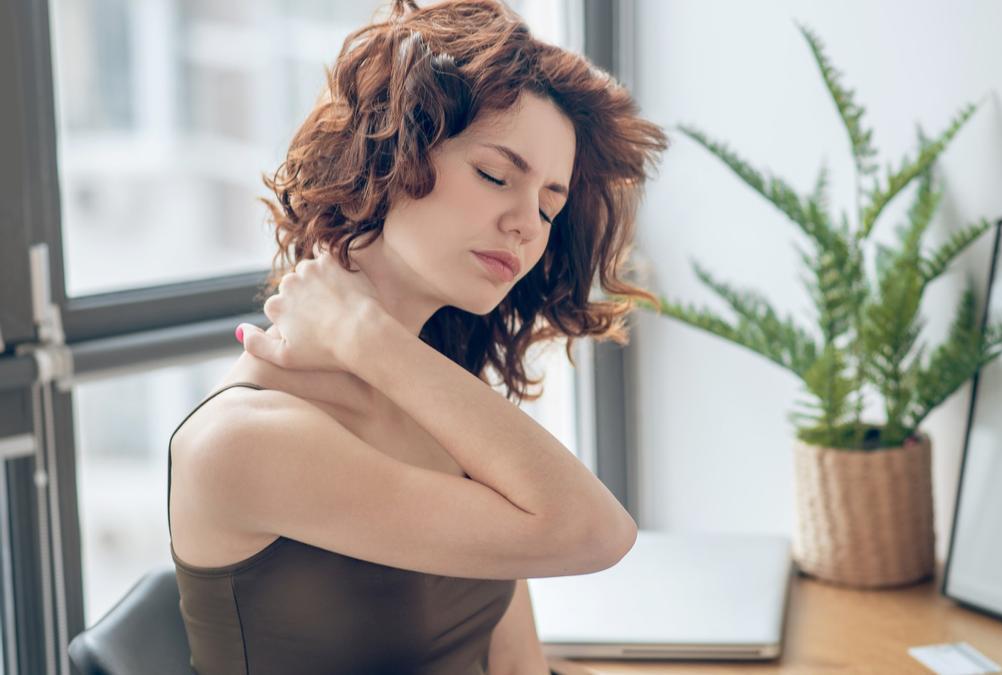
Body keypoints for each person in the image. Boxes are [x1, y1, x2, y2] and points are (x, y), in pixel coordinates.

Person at [164, 0, 669, 672]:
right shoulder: (243, 441)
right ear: (391, 154)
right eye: (495, 176)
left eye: (549, 205)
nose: (528, 224)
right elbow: (597, 533)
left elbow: (516, 662)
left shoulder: (433, 383)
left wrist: (371, 341)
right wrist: (365, 335)